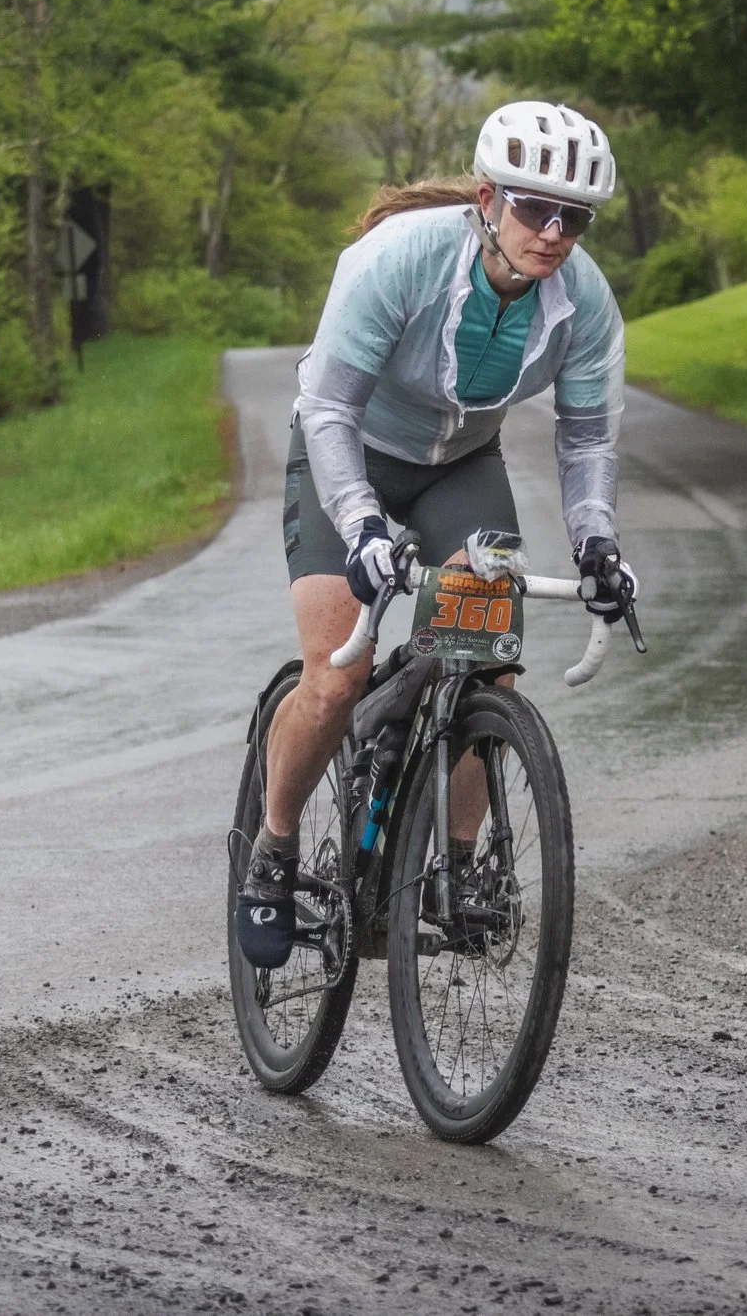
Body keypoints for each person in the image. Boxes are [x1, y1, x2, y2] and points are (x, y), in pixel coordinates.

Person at [236, 100, 642, 968]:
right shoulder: (398, 259)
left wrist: (598, 544)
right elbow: (331, 406)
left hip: (460, 463)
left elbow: (588, 436)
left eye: (575, 217)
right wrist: (361, 526)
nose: (555, 232)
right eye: (536, 209)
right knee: (336, 677)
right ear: (489, 200)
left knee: (485, 658)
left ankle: (459, 870)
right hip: (346, 450)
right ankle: (271, 850)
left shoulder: (584, 302)